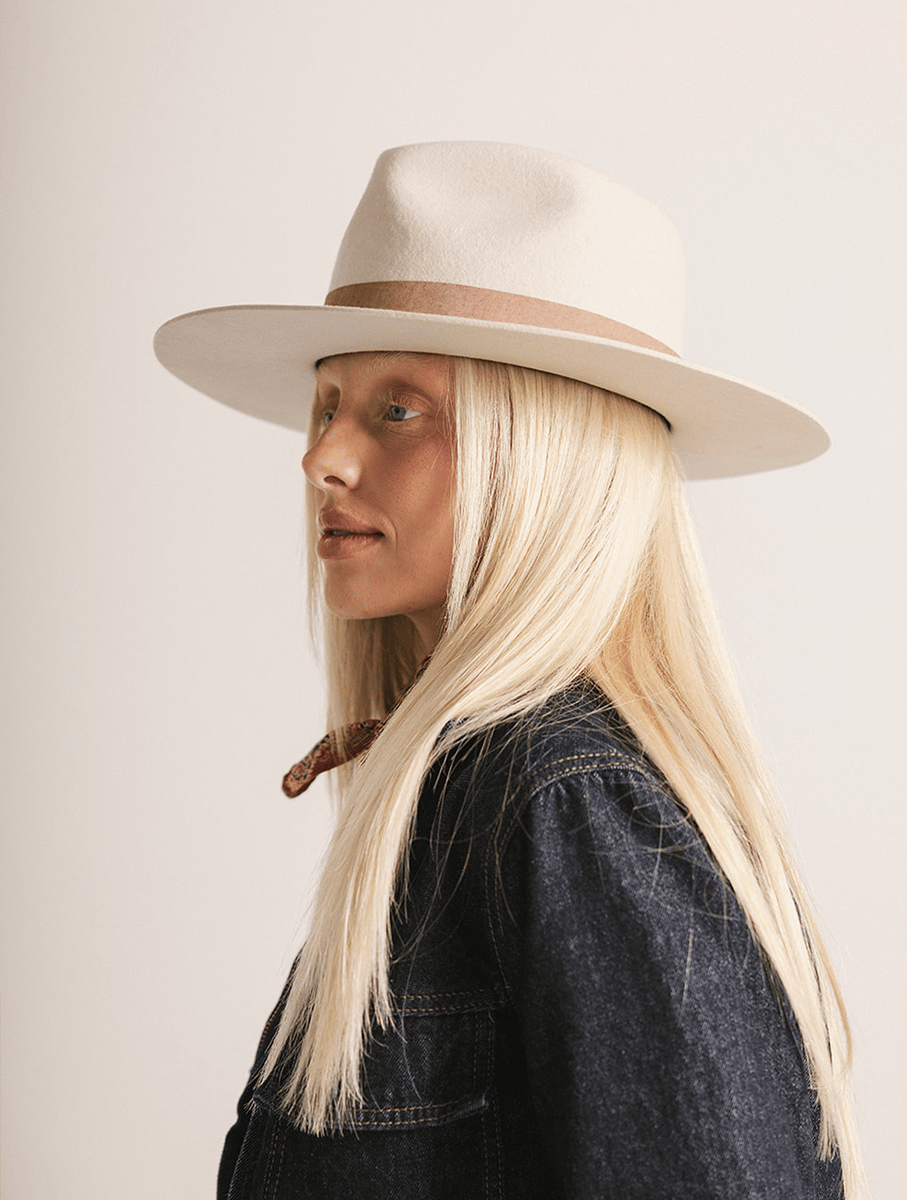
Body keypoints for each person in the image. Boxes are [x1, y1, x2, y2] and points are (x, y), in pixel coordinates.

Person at [155, 141, 863, 1199]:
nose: (322, 459)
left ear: (546, 452)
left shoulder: (562, 789)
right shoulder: (474, 781)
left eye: (397, 410)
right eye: (327, 404)